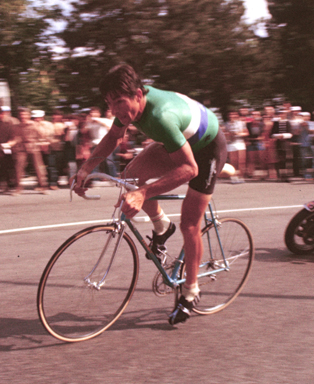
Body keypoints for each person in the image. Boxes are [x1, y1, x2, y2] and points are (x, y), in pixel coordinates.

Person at [72, 64, 227, 325]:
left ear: (139, 94)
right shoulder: (128, 108)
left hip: (207, 150)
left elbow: (190, 168)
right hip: (180, 141)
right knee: (130, 176)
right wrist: (85, 168)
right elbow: (112, 137)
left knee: (190, 224)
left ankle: (191, 292)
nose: (116, 111)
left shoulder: (160, 116)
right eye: (110, 104)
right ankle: (161, 226)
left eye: (119, 102)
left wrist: (144, 193)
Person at [9, 107, 49, 195]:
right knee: (18, 168)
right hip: (21, 148)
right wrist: (10, 144)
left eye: (25, 114)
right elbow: (15, 138)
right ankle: (18, 188)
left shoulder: (35, 125)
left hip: (33, 146)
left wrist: (43, 142)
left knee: (38, 167)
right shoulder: (16, 126)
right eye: (21, 114)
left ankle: (43, 186)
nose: (23, 116)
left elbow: (43, 135)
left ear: (28, 115)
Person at [0, 106, 19, 192]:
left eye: (0, 113)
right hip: (4, 148)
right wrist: (0, 149)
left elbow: (17, 136)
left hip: (14, 147)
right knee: (4, 166)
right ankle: (8, 185)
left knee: (14, 167)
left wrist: (10, 144)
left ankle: (15, 185)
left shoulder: (13, 121)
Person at [224, 110, 248, 183]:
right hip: (231, 143)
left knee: (241, 161)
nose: (232, 116)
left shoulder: (241, 123)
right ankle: (234, 176)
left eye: (233, 114)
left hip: (240, 143)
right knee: (233, 161)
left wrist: (238, 133)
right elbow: (224, 133)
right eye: (230, 115)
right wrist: (229, 135)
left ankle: (241, 176)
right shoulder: (226, 124)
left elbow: (246, 133)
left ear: (237, 115)